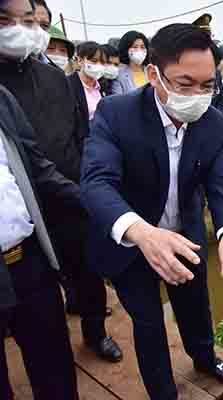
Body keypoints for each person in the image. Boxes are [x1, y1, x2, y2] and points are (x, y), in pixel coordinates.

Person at [81, 24, 223, 400]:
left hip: (183, 234)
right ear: (154, 74)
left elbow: (219, 184)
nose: (198, 97)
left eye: (208, 86)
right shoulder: (117, 113)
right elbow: (96, 182)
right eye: (185, 84)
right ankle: (163, 392)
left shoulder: (214, 123)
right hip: (131, 241)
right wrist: (142, 233)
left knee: (195, 306)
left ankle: (205, 358)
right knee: (149, 322)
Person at [0, 0, 123, 363]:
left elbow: (80, 132)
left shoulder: (56, 78)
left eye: (35, 23)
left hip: (70, 192)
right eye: (10, 21)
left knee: (88, 269)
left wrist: (89, 181)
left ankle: (95, 332)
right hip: (23, 209)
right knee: (34, 291)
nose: (25, 31)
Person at [0, 83, 81, 400]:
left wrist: (97, 202)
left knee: (54, 366)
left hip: (28, 258)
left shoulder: (3, 97)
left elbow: (37, 165)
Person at [68, 42, 107, 133]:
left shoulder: (104, 85)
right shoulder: (68, 85)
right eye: (94, 61)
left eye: (102, 62)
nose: (99, 65)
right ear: (80, 61)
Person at [112, 30, 149, 95]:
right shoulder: (119, 76)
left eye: (142, 47)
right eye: (135, 47)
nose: (139, 50)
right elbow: (118, 100)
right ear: (126, 49)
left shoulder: (152, 71)